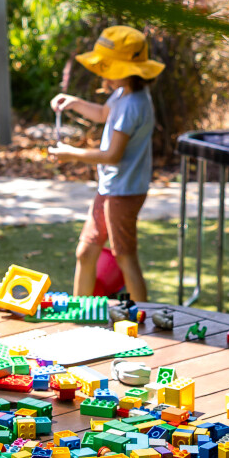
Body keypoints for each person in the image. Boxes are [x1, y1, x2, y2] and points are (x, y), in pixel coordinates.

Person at [50, 25, 163, 303]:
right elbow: (103, 113)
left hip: (124, 192)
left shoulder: (133, 104)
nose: (102, 73)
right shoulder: (124, 94)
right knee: (86, 251)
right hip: (111, 187)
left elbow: (112, 155)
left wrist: (72, 154)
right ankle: (78, 313)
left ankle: (142, 315)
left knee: (125, 256)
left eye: (107, 67)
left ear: (127, 70)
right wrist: (74, 103)